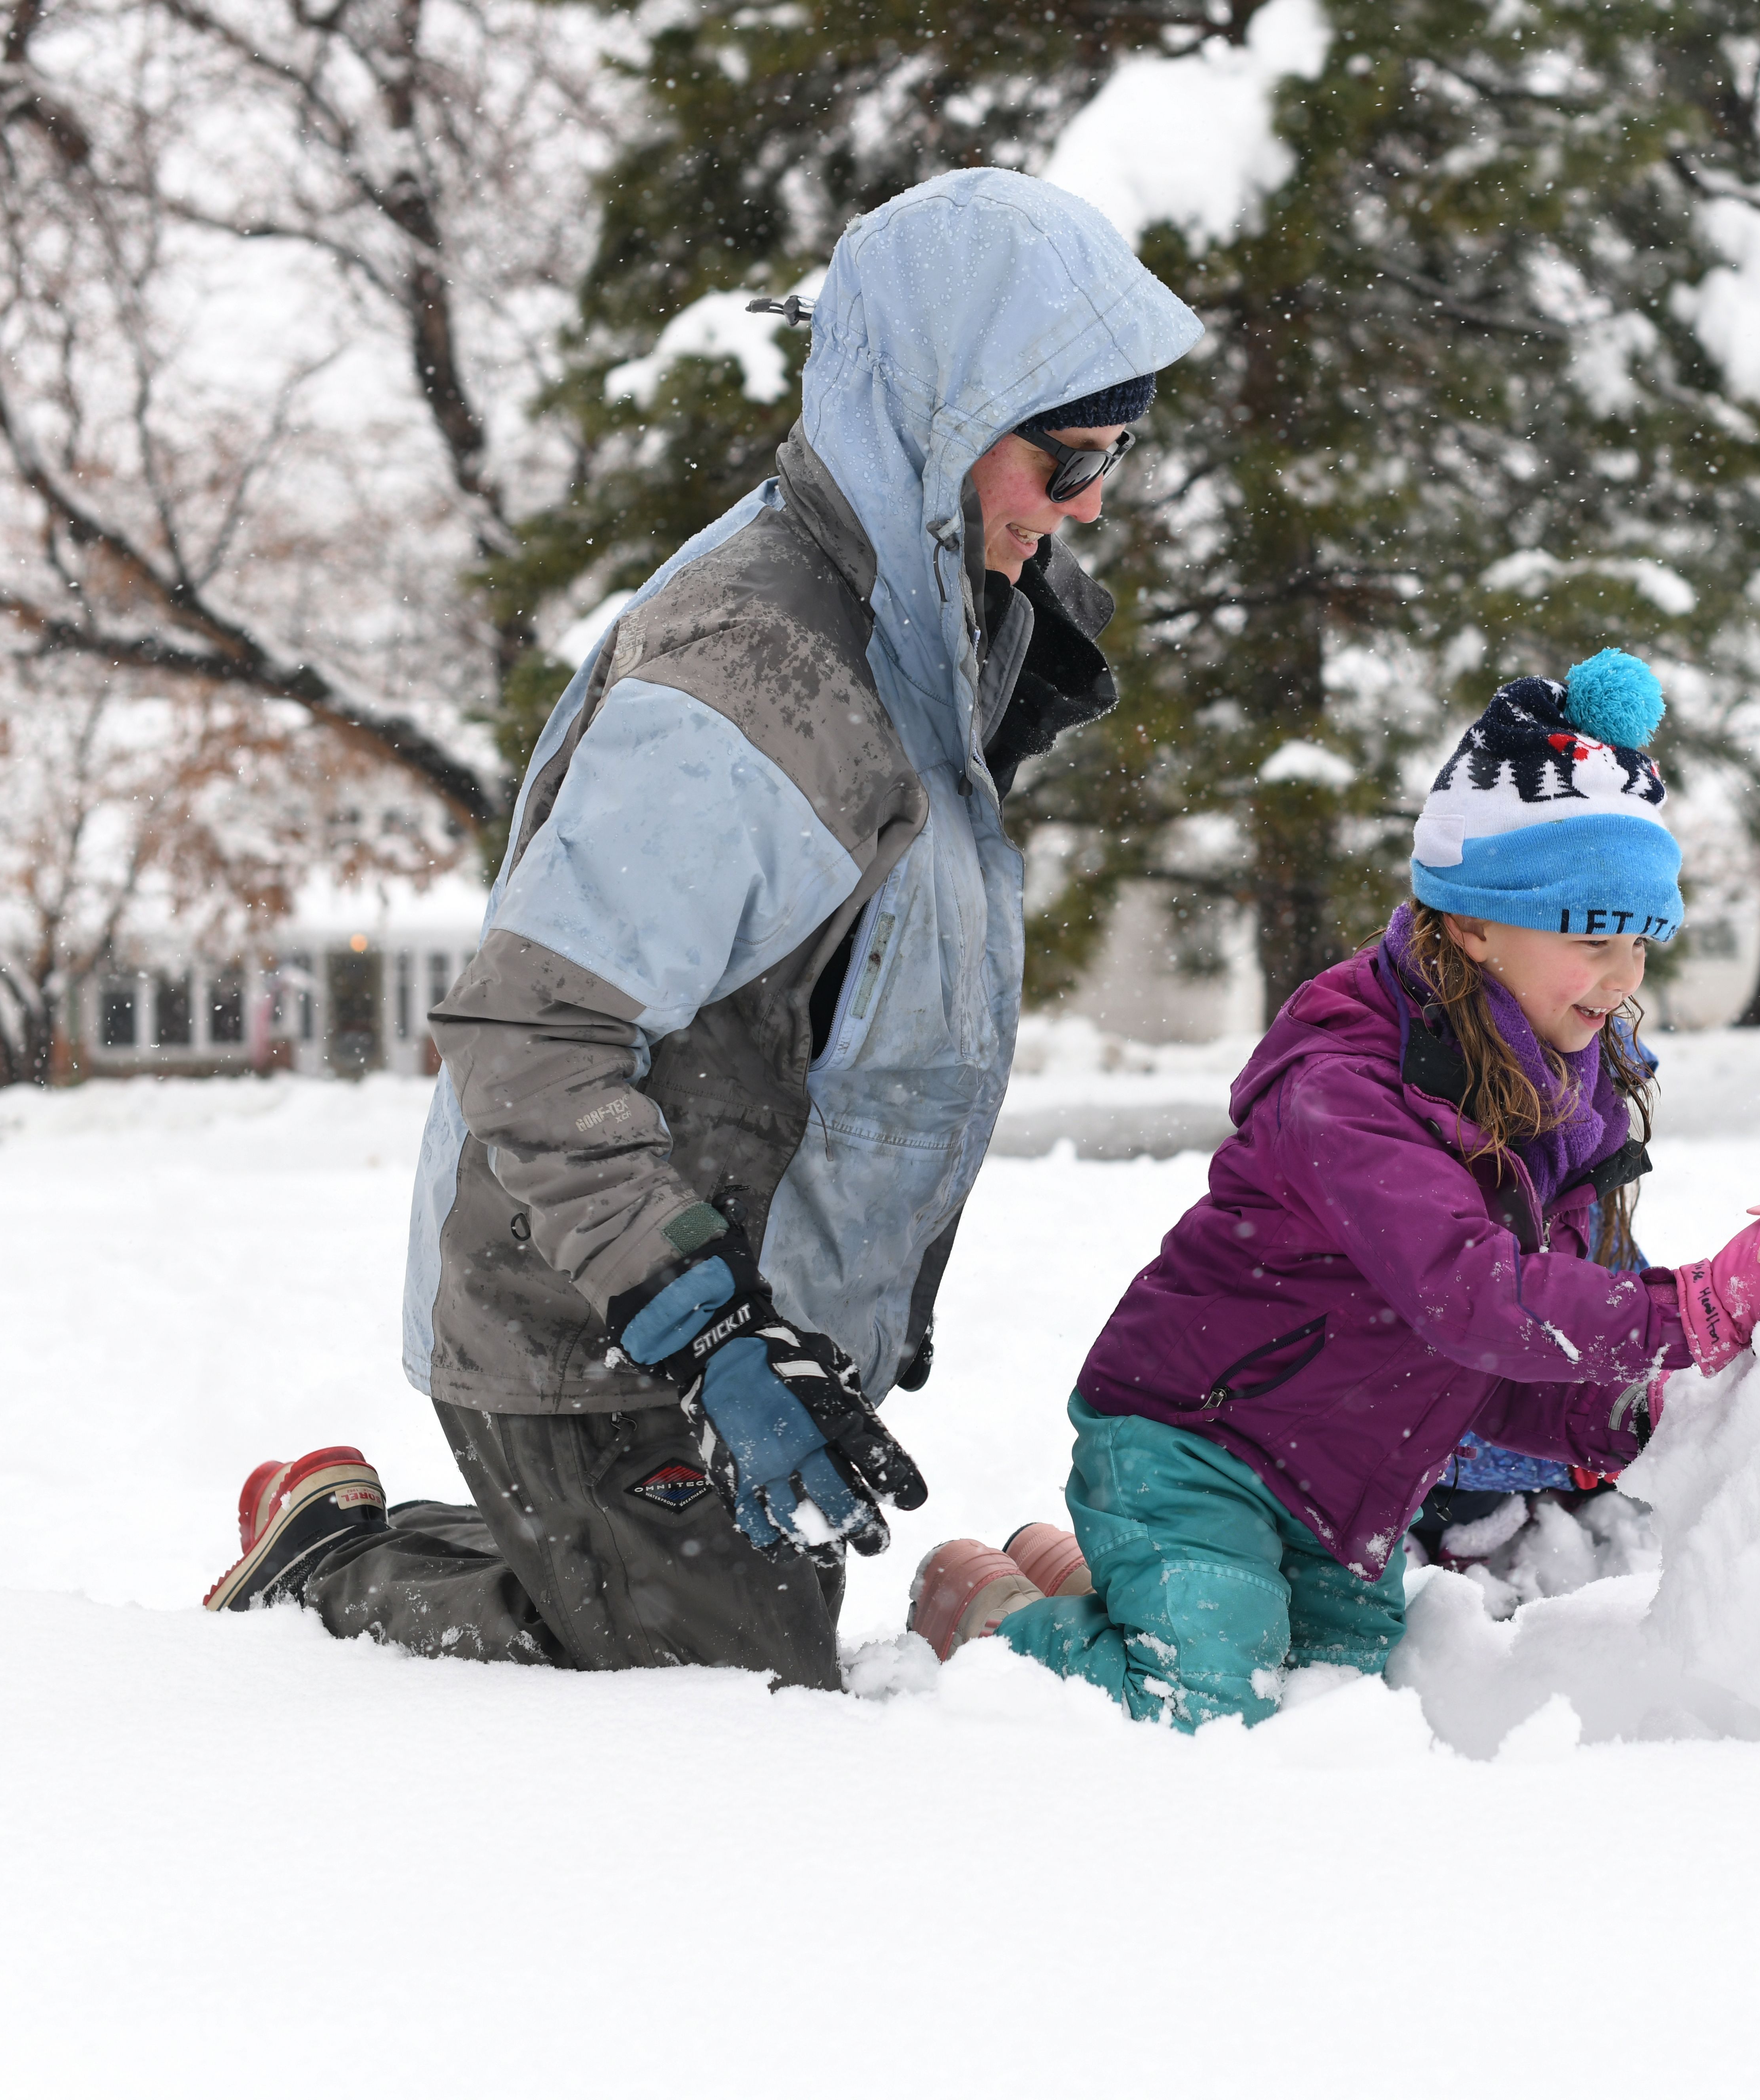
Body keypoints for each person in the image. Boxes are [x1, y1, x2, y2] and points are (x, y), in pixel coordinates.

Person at [200, 168, 1204, 1691]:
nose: (1091, 507)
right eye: (1063, 462)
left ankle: (563, 1558)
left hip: (742, 1325)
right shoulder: (756, 679)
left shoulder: (919, 625)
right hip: (602, 1320)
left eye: (1115, 459)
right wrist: (704, 1331)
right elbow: (532, 1040)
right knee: (729, 1710)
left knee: (738, 1645)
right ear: (931, 422)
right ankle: (338, 1576)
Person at [907, 650, 1760, 1726]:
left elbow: (1487, 1359)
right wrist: (1691, 1308)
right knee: (1203, 1703)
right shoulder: (1346, 1089)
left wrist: (1630, 1416)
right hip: (1198, 1441)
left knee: (1328, 1701)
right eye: (1592, 935)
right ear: (1471, 922)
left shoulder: (1555, 1106)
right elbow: (1473, 1295)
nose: (1625, 976)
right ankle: (981, 1613)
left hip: (1346, 1477)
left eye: (1642, 939)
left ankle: (1088, 1576)